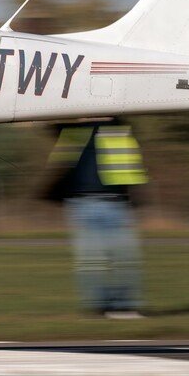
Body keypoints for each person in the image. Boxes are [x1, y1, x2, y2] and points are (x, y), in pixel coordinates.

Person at [43, 119, 148, 319]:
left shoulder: (118, 126)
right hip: (86, 203)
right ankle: (100, 307)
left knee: (123, 259)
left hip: (113, 202)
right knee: (94, 261)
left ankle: (123, 306)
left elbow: (130, 162)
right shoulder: (73, 128)